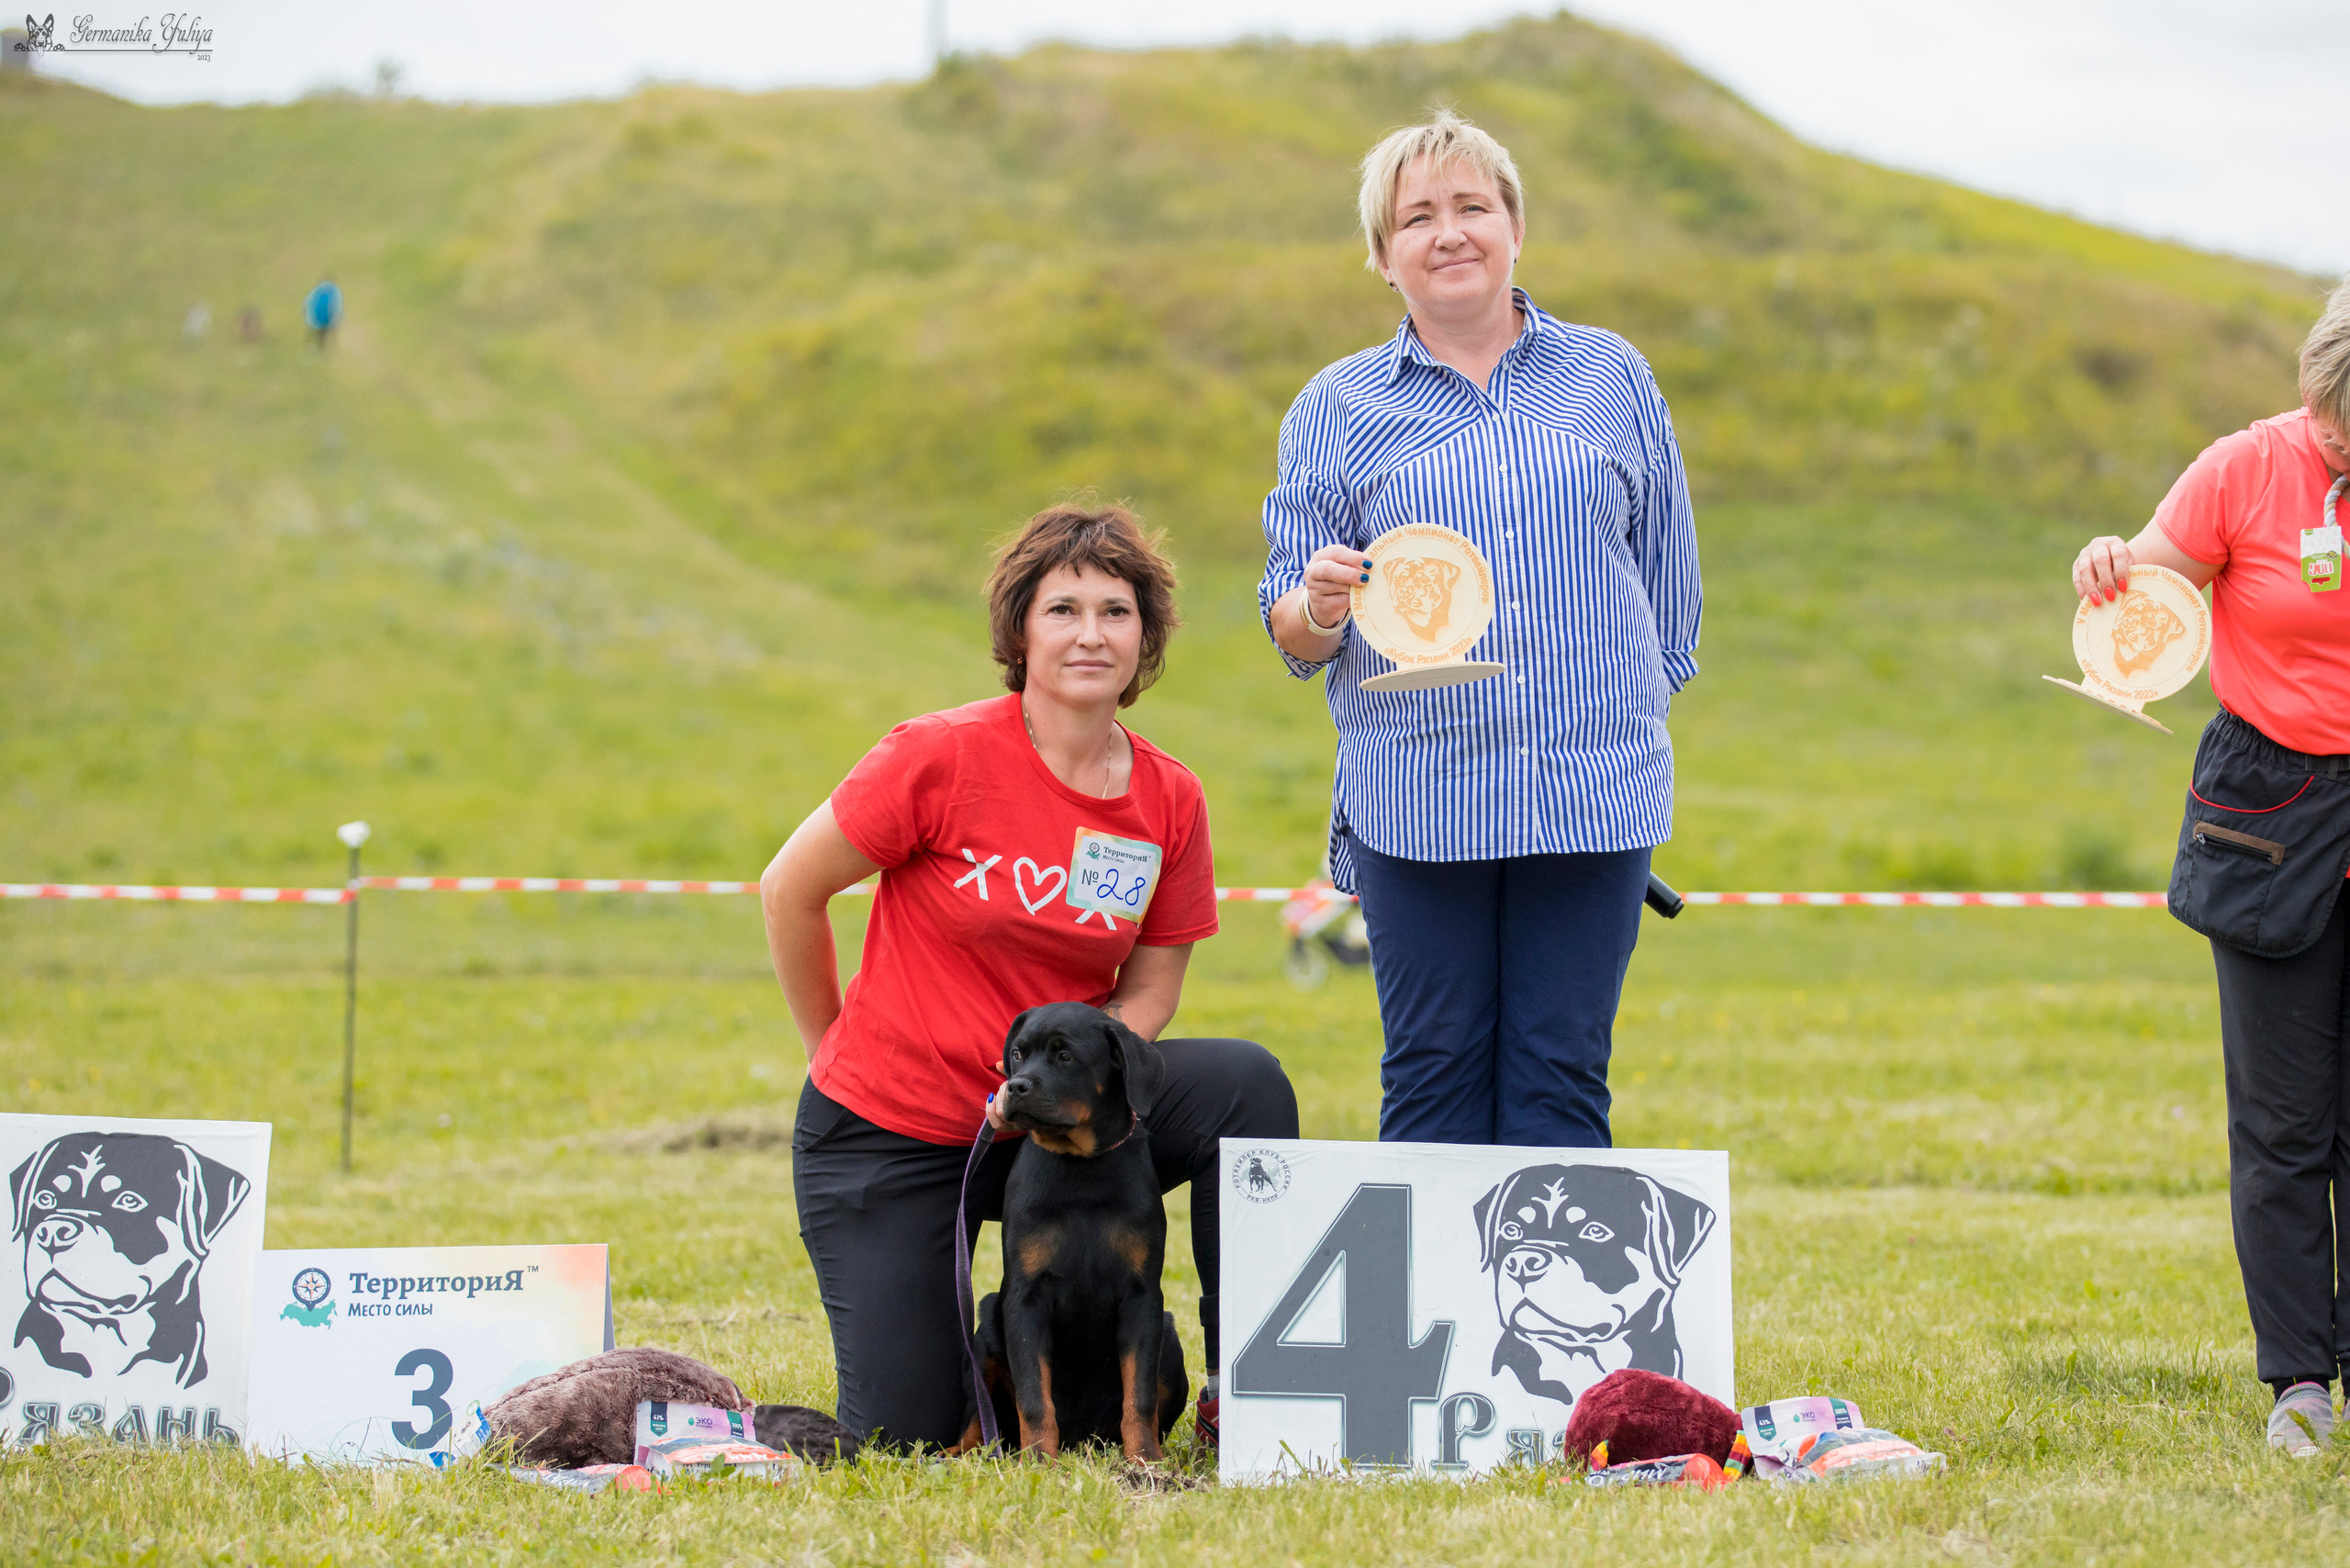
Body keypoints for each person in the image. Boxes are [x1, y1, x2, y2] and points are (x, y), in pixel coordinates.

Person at [761, 502, 1298, 1452]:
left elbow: (1152, 988)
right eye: (1063, 609)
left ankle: (1244, 1388)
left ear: (1147, 638)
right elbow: (789, 891)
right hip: (894, 1133)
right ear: (1019, 630)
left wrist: (1096, 1102)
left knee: (1244, 1084)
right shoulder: (937, 754)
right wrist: (831, 1050)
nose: (1091, 633)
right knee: (909, 1435)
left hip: (1053, 1125)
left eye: (1116, 611)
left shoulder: (1169, 795)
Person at [1257, 112, 1701, 1149]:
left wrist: (1615, 709)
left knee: (1560, 1073)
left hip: (1593, 796)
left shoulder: (1611, 376)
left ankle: (1548, 1315)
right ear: (1382, 256)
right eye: (1417, 217)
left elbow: (1668, 583)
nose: (1448, 232)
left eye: (1472, 207)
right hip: (1418, 797)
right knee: (1432, 1075)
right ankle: (1433, 1318)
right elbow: (1289, 625)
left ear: (1513, 227)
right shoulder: (1334, 407)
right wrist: (1321, 606)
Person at [2072, 279, 2350, 1458]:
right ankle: (2299, 1382)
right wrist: (2105, 565)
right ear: (2307, 393)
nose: (2343, 444)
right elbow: (2145, 590)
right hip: (2272, 810)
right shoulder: (2242, 468)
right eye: (2336, 424)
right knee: (2284, 1121)